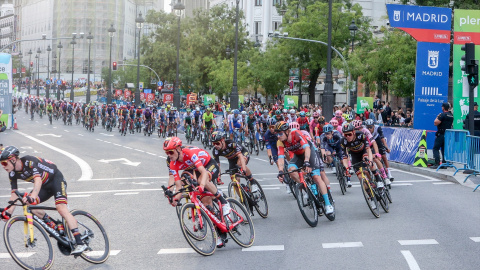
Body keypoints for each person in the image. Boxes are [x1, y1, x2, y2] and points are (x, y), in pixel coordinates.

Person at [0, 146, 88, 255]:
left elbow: (38, 180)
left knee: (61, 208)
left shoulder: (29, 161)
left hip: (55, 180)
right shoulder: (12, 173)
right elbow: (14, 194)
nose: (3, 167)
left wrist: (33, 196)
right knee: (28, 204)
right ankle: (56, 226)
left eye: (4, 163)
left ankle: (80, 243)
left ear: (13, 159)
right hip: (44, 187)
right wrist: (8, 212)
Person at [164, 137, 230, 248]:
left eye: (171, 151)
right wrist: (175, 199)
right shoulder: (173, 164)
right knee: (205, 202)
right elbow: (178, 185)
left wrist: (202, 186)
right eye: (166, 152)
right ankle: (219, 233)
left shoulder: (189, 153)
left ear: (179, 149)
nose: (169, 155)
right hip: (195, 169)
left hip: (208, 164)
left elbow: (203, 172)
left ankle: (223, 201)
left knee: (201, 182)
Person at [274, 121, 334, 215]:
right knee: (291, 171)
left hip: (310, 152)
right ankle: (306, 187)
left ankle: (328, 204)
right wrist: (280, 171)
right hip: (298, 156)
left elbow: (306, 148)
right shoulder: (280, 142)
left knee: (316, 177)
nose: (278, 136)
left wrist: (307, 162)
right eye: (276, 133)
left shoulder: (296, 133)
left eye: (280, 133)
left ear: (287, 131)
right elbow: (281, 157)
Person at [432, 102, 454, 169]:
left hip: (441, 134)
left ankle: (437, 163)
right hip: (447, 135)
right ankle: (444, 164)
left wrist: (437, 117)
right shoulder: (451, 115)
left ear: (443, 108)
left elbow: (435, 122)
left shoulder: (442, 115)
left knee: (436, 148)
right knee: (444, 149)